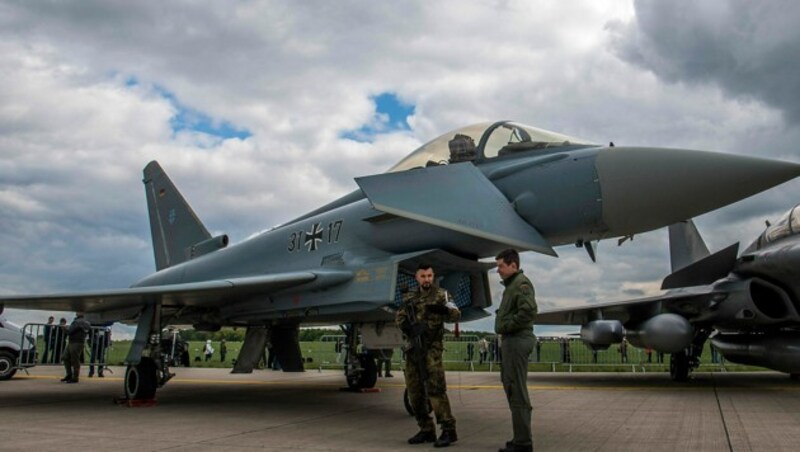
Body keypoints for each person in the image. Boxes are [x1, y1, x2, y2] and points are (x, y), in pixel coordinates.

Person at [396, 263, 460, 448]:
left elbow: (456, 314)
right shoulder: (409, 298)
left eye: (429, 276)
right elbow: (399, 317)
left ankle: (448, 429)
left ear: (433, 276)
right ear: (417, 278)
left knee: (436, 390)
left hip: (432, 349)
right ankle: (426, 429)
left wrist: (445, 311)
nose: (427, 279)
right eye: (423, 276)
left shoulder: (442, 295)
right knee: (414, 392)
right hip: (413, 350)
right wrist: (408, 327)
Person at [494, 249, 537, 452]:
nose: (498, 270)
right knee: (511, 386)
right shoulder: (512, 286)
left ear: (513, 265)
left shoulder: (521, 284)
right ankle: (519, 437)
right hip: (512, 341)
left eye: (501, 266)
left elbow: (528, 311)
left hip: (517, 340)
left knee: (516, 389)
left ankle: (523, 443)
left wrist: (507, 324)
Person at [62, 314, 90, 383]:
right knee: (67, 357)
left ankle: (74, 377)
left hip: (75, 342)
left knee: (73, 359)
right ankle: (70, 375)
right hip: (78, 342)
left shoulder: (77, 322)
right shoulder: (87, 322)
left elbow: (70, 331)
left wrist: (64, 328)